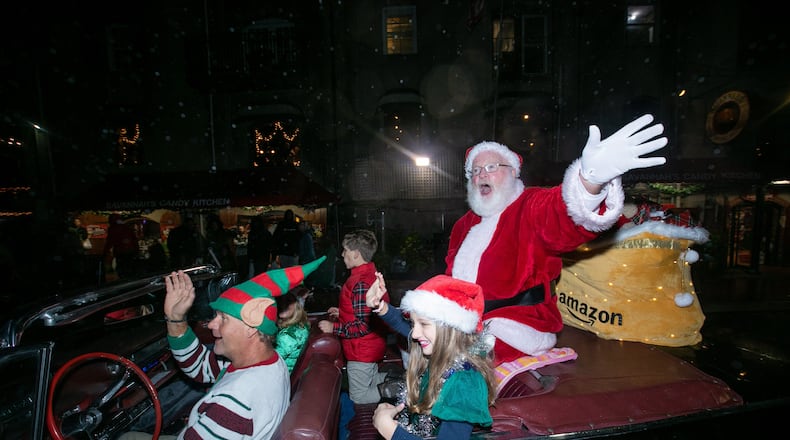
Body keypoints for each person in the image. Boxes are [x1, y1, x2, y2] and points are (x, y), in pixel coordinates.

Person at [445, 114, 668, 365]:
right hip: (467, 321)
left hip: (518, 325)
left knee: (459, 364)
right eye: (474, 171)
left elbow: (560, 215)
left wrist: (589, 180)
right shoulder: (464, 224)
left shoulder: (529, 205)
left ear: (513, 173)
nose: (480, 175)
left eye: (491, 167)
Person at [119, 257, 325, 440]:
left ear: (250, 328)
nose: (211, 324)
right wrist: (176, 319)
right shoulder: (266, 361)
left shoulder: (235, 400)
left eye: (223, 318)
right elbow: (199, 367)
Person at [365, 273, 496, 440]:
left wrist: (391, 431)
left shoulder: (464, 383)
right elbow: (403, 325)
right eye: (414, 324)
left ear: (450, 328)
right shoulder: (442, 353)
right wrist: (380, 306)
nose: (414, 334)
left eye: (424, 324)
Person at [318, 229, 390, 405]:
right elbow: (362, 312)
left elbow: (363, 326)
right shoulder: (367, 276)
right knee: (370, 381)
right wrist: (342, 312)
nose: (342, 255)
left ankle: (399, 386)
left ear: (356, 254)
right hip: (370, 347)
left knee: (358, 396)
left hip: (361, 350)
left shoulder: (360, 283)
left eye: (345, 250)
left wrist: (333, 327)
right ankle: (393, 377)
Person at [274, 284, 314, 373]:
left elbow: (271, 362)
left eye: (288, 301)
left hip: (283, 375)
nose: (283, 303)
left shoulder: (288, 335)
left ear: (296, 305)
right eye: (279, 300)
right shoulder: (301, 324)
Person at [103, 213, 139, 280]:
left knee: (121, 269)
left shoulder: (113, 229)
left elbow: (110, 241)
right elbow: (134, 240)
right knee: (128, 268)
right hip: (130, 251)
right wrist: (136, 250)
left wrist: (105, 252)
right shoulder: (127, 227)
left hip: (120, 252)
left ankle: (123, 282)